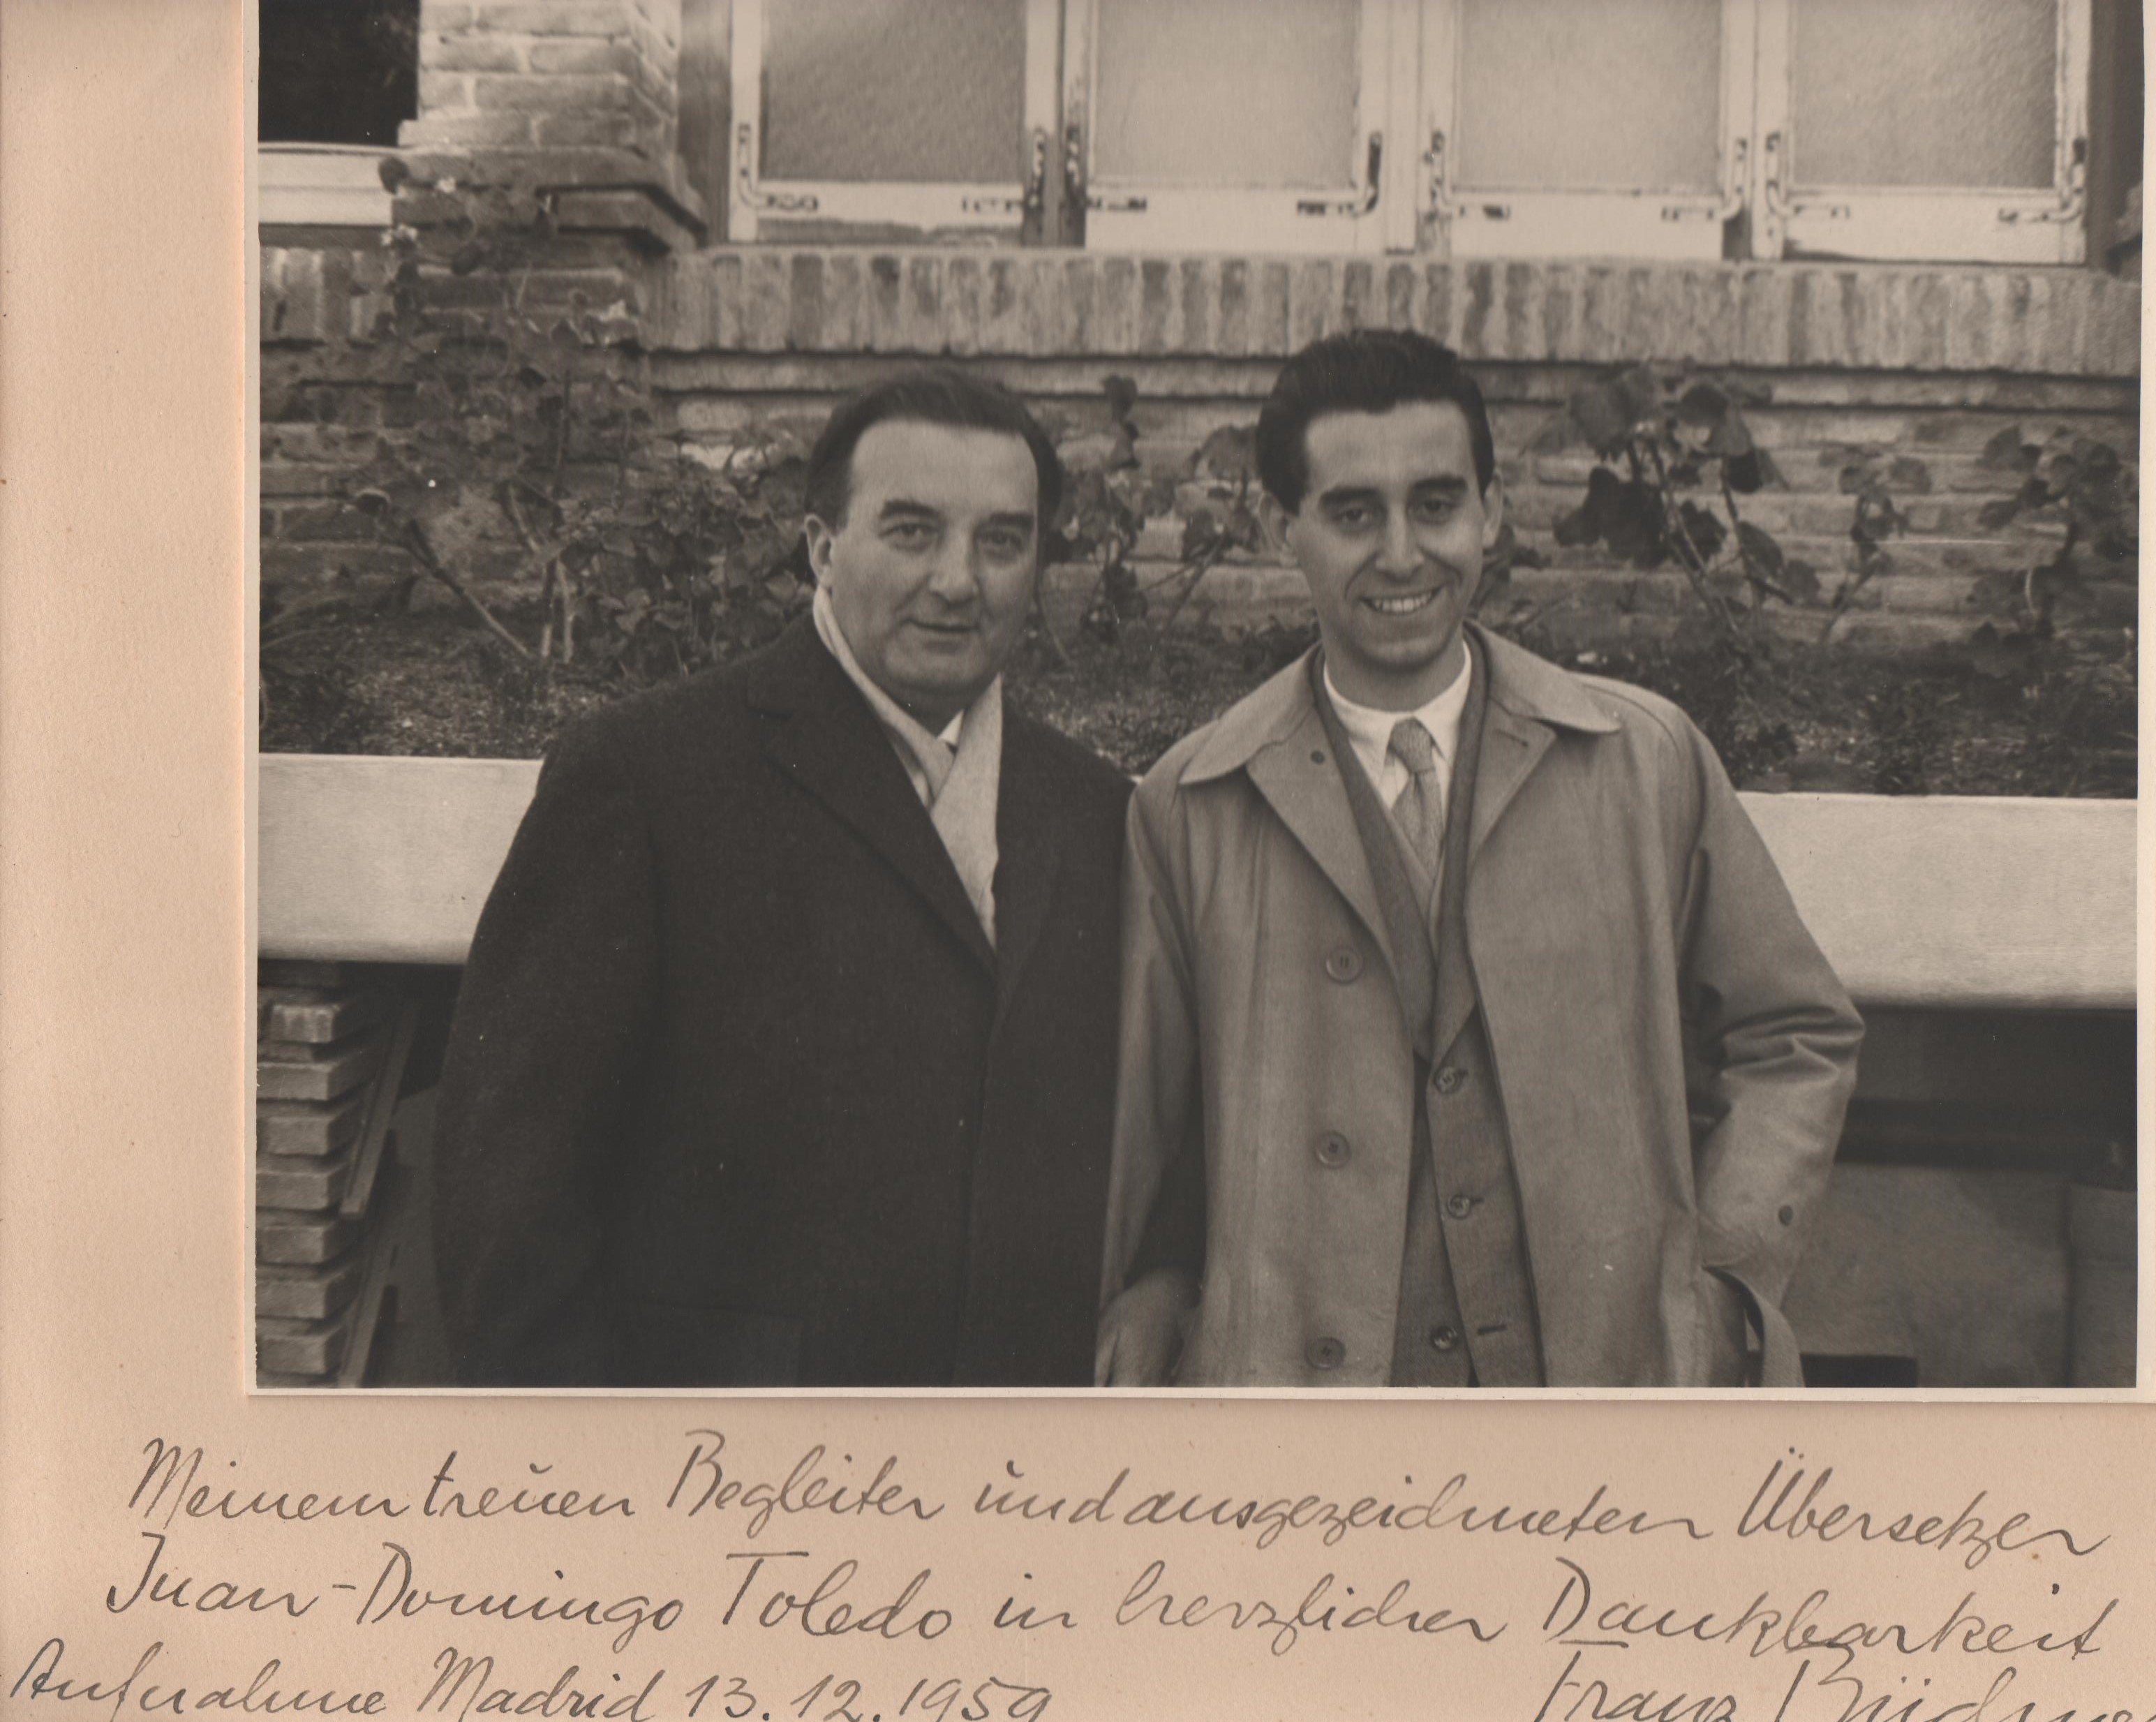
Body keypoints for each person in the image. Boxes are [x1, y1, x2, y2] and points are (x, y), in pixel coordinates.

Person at [1097, 330, 1862, 1389]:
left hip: (1601, 1399)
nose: (1402, 554)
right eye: (1353, 513)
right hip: (1304, 1416)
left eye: (1436, 504)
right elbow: (1156, 1135)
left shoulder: (1641, 759)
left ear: (1491, 512)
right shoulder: (1192, 804)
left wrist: (1719, 1284)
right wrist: (1156, 1287)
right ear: (1283, 530)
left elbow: (1793, 1033)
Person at [435, 367, 1131, 1388]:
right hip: (732, 1449)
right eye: (911, 531)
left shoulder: (1094, 810)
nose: (958, 580)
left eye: (1001, 540)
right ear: (821, 547)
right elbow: (510, 1203)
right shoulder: (645, 779)